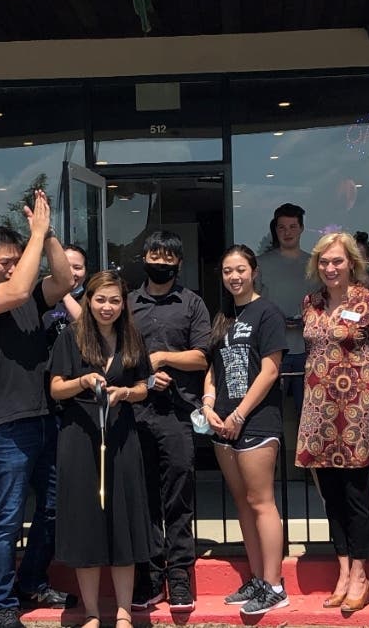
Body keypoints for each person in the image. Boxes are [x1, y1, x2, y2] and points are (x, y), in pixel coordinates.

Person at [0, 193, 76, 628]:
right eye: (5, 260)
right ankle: (2, 604)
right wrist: (36, 234)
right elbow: (19, 287)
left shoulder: (29, 299)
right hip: (4, 425)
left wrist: (49, 235)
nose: (12, 266)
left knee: (52, 509)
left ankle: (32, 581)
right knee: (7, 517)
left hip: (45, 417)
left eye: (15, 260)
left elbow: (62, 282)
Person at [48, 270, 155, 628]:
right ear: (88, 300)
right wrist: (81, 381)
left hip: (122, 435)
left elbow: (144, 385)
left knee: (123, 521)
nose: (107, 307)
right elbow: (55, 389)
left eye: (114, 300)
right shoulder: (70, 337)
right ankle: (92, 612)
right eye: (100, 299)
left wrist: (126, 393)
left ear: (123, 303)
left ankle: (124, 610)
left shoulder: (132, 337)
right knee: (86, 524)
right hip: (80, 435)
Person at [296, 231, 369, 615]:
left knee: (356, 497)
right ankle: (343, 570)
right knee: (331, 498)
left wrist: (366, 395)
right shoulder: (310, 303)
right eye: (324, 262)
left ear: (352, 263)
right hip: (318, 413)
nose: (330, 268)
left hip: (356, 412)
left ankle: (361, 575)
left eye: (338, 261)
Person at [128, 229, 212, 612]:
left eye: (167, 258)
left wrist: (162, 358)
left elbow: (201, 357)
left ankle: (179, 575)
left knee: (178, 497)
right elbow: (120, 359)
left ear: (179, 263)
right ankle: (148, 576)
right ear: (143, 258)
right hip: (136, 413)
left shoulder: (192, 303)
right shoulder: (127, 304)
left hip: (178, 414)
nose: (159, 263)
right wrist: (145, 373)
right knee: (143, 499)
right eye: (153, 256)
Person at [202, 245, 288, 615]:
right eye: (226, 271)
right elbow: (213, 368)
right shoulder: (222, 316)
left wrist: (239, 414)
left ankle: (274, 584)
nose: (233, 277)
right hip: (222, 423)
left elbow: (270, 370)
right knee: (242, 503)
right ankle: (256, 577)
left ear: (253, 271)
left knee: (261, 501)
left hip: (254, 421)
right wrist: (208, 403)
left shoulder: (266, 312)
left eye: (240, 269)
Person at [256, 203, 311, 411]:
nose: (287, 232)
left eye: (292, 227)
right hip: (272, 349)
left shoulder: (315, 264)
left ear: (301, 228)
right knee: (271, 412)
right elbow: (253, 304)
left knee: (307, 413)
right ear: (275, 229)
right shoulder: (260, 264)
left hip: (307, 349)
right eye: (282, 227)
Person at [42, 243, 88, 340]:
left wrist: (65, 294)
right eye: (64, 267)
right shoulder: (41, 297)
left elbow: (90, 328)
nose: (70, 273)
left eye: (77, 268)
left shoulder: (93, 299)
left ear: (86, 272)